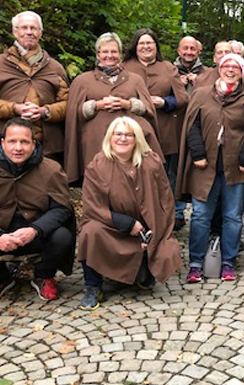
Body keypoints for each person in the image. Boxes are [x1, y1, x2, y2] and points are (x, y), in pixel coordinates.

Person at [0, 119, 74, 305]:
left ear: (34, 144)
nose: (18, 148)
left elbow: (61, 209)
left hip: (34, 233)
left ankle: (43, 275)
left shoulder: (50, 170)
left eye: (24, 142)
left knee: (63, 237)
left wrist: (35, 229)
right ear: (3, 142)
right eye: (12, 141)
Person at [177, 54, 244, 283]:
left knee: (233, 217)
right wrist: (197, 153)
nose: (230, 70)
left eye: (235, 67)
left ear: (242, 71)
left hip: (236, 168)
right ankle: (195, 263)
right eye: (226, 66)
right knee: (200, 216)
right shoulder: (202, 94)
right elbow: (192, 125)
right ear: (219, 68)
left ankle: (228, 261)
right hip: (204, 166)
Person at [77, 117, 182, 310]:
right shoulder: (97, 165)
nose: (123, 139)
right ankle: (93, 286)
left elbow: (165, 199)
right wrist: (126, 223)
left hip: (145, 228)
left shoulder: (152, 162)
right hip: (111, 227)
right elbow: (92, 206)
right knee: (88, 232)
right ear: (110, 137)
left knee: (157, 263)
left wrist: (153, 232)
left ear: (137, 139)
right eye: (118, 134)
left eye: (129, 135)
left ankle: (143, 269)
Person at [64, 33, 162, 185]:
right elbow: (73, 115)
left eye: (114, 52)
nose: (109, 56)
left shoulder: (135, 79)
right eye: (105, 52)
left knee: (133, 183)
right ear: (98, 54)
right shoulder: (83, 80)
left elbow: (149, 110)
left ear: (121, 54)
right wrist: (96, 105)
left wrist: (128, 104)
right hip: (94, 143)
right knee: (100, 182)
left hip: (130, 142)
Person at [0, 11, 69, 159]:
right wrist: (14, 108)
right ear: (15, 31)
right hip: (6, 145)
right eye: (24, 28)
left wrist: (45, 111)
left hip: (47, 147)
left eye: (33, 28)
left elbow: (67, 103)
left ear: (40, 32)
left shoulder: (55, 68)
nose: (29, 32)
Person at [124, 29, 189, 229]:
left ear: (156, 46)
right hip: (133, 129)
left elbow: (182, 98)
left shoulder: (168, 68)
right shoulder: (124, 67)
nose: (146, 47)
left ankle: (167, 217)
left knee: (165, 176)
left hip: (165, 130)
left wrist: (164, 101)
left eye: (150, 43)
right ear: (135, 46)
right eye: (141, 43)